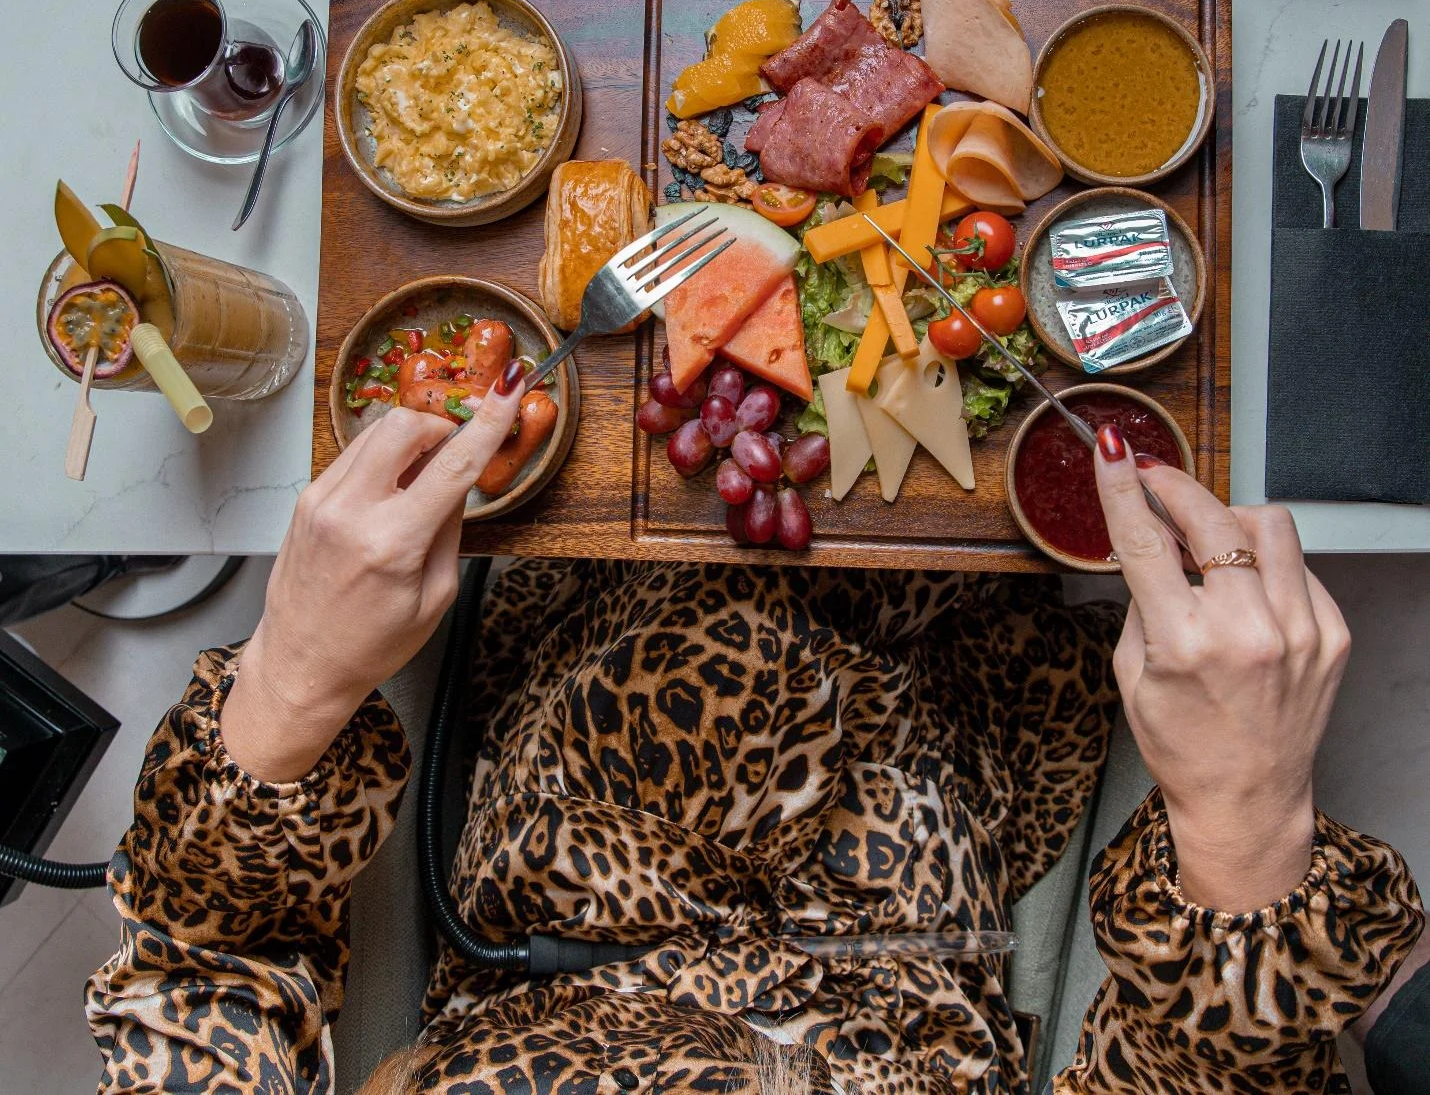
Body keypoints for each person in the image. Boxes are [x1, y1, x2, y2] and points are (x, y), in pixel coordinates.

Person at [84, 365, 1426, 1093]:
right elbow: (1211, 1068)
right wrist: (1246, 815)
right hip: (926, 816)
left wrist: (295, 679)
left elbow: (195, 955)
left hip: (559, 773)